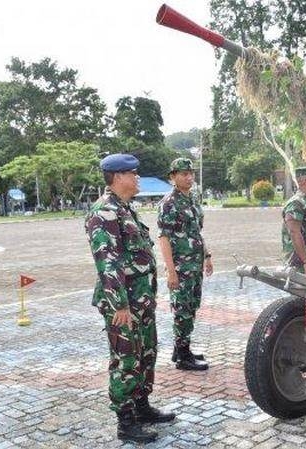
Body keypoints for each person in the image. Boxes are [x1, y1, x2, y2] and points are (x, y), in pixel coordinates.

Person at [85, 154, 175, 444]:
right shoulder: (104, 212)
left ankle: (142, 407)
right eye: (133, 174)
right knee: (126, 360)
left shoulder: (124, 209)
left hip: (141, 300)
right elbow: (107, 263)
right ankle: (125, 422)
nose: (137, 178)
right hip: (123, 304)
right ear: (118, 177)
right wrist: (119, 305)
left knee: (146, 352)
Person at [158, 157, 211, 371]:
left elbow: (196, 232)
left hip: (194, 266)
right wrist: (171, 272)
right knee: (182, 310)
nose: (188, 177)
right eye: (183, 174)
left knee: (191, 307)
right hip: (180, 268)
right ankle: (182, 357)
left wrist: (207, 256)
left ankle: (181, 348)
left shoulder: (192, 199)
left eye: (190, 173)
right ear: (173, 177)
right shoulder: (169, 203)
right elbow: (164, 239)